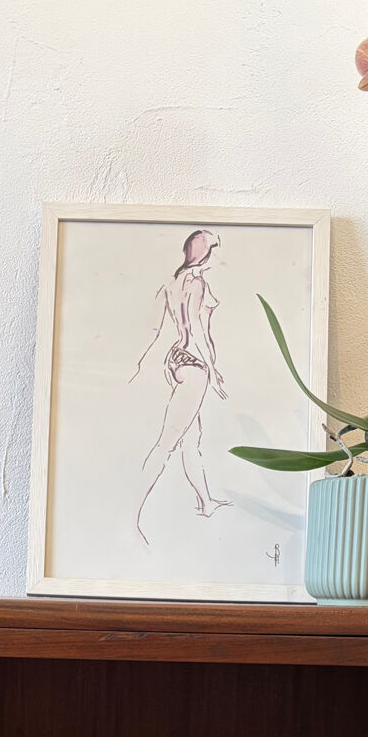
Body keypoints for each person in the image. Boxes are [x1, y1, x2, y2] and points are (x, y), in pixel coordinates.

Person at [130, 229, 231, 544]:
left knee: (191, 440)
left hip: (176, 362)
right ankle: (130, 516)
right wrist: (213, 372)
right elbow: (198, 328)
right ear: (206, 255)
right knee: (166, 444)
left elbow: (154, 328)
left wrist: (142, 364)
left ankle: (206, 502)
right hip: (195, 366)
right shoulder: (197, 284)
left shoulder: (170, 284)